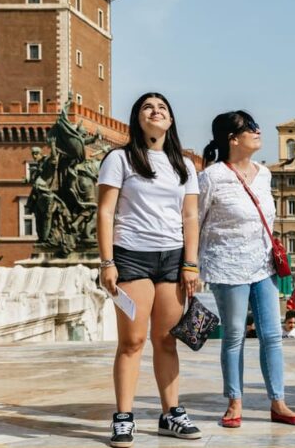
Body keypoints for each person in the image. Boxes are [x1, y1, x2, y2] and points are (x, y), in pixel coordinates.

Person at [97, 92, 202, 447]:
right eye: (147, 107)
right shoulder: (120, 159)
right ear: (137, 119)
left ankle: (171, 413)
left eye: (162, 108)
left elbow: (190, 216)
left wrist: (191, 263)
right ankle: (123, 418)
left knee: (166, 340)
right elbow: (105, 212)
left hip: (172, 259)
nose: (155, 111)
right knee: (132, 341)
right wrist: (107, 261)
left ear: (170, 120)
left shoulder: (184, 165)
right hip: (131, 256)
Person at [199, 111, 295, 428]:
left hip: (264, 265)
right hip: (227, 265)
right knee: (234, 335)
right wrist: (191, 265)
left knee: (272, 335)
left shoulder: (265, 174)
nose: (258, 131)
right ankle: (234, 402)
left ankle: (279, 402)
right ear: (232, 139)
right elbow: (194, 221)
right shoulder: (211, 177)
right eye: (250, 128)